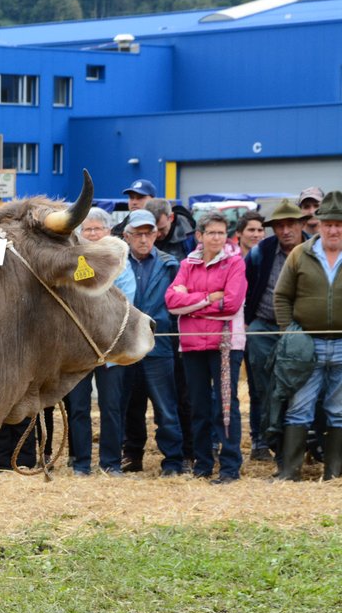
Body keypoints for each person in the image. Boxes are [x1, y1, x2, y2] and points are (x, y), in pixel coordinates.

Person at [164, 212, 247, 482]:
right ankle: (202, 465)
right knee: (198, 406)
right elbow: (171, 302)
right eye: (211, 232)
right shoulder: (187, 265)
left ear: (227, 236)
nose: (216, 237)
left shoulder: (235, 264)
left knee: (224, 405)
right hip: (192, 345)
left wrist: (192, 305)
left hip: (225, 344)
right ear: (199, 235)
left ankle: (230, 466)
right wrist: (210, 298)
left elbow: (232, 305)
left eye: (221, 233)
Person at [272, 190, 342, 480]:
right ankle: (290, 472)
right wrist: (291, 334)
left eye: (339, 224)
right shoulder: (301, 254)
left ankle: (334, 472)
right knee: (299, 408)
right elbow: (281, 296)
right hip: (306, 346)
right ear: (319, 224)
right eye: (328, 224)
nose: (334, 229)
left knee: (338, 410)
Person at [63, 207, 136, 476]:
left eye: (98, 229)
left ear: (108, 232)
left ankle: (111, 463)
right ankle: (81, 464)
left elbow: (125, 301)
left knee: (111, 407)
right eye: (87, 229)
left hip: (111, 345)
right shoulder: (73, 263)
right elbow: (70, 302)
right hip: (79, 347)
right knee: (79, 407)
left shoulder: (121, 262)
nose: (92, 234)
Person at [120, 209, 186, 476]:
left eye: (148, 233)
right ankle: (132, 455)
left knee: (166, 406)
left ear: (157, 234)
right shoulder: (119, 263)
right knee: (129, 405)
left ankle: (173, 460)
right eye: (138, 234)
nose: (144, 239)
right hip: (126, 345)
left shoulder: (170, 264)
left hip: (159, 344)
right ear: (126, 236)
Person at [245, 199, 308, 461]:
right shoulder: (261, 251)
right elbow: (246, 284)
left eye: (290, 224)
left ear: (301, 224)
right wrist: (247, 322)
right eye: (279, 226)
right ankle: (262, 441)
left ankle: (301, 441)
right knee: (262, 385)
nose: (285, 230)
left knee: (300, 385)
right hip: (263, 324)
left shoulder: (314, 248)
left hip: (300, 328)